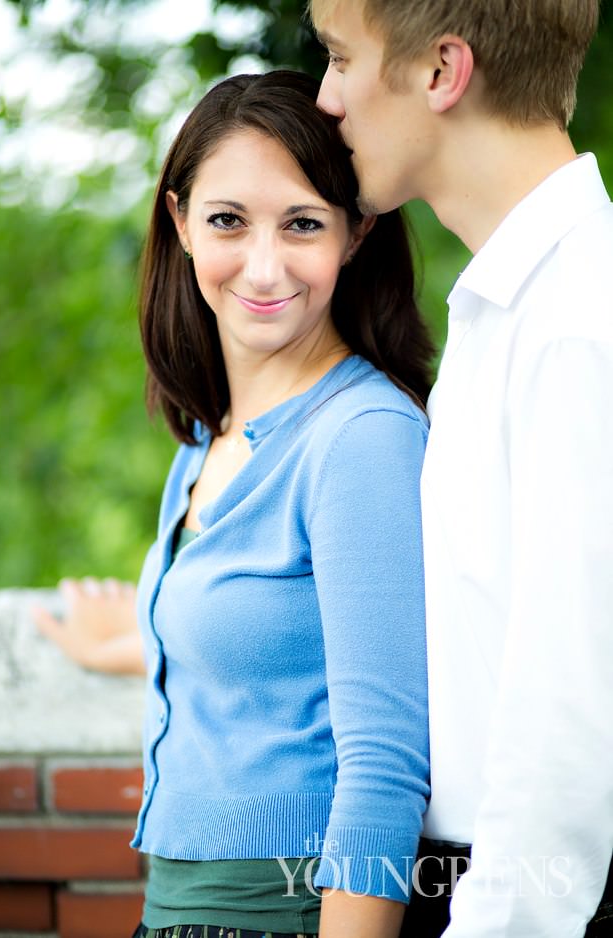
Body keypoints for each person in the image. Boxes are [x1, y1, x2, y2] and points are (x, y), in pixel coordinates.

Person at [310, 2, 613, 935]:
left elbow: (567, 715)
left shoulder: (577, 321)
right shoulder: (507, 308)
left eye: (339, 58)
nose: (327, 98)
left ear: (442, 72)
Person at [129, 68, 435, 938]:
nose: (263, 267)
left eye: (302, 223)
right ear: (180, 221)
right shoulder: (206, 440)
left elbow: (383, 764)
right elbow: (272, 644)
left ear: (356, 234)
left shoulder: (362, 437)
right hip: (177, 905)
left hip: (288, 909)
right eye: (228, 220)